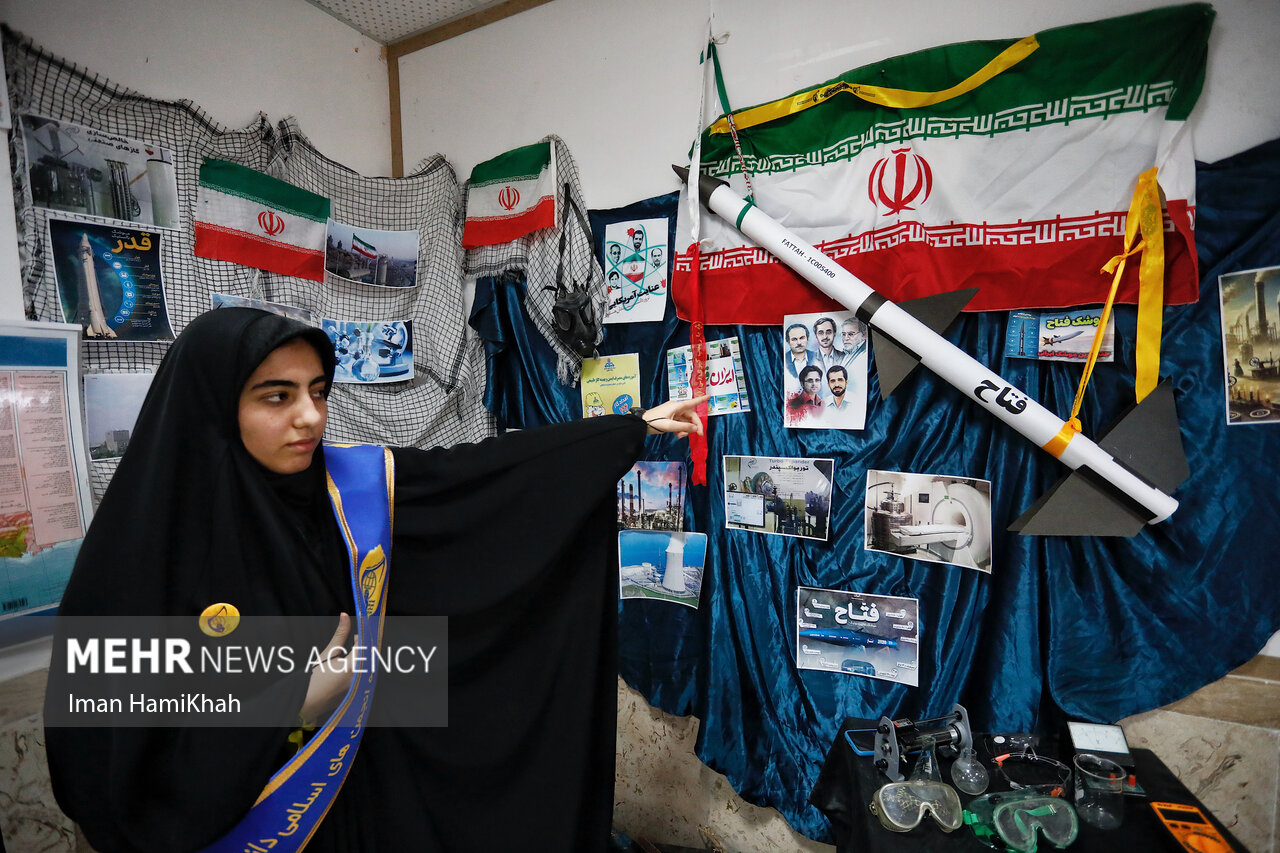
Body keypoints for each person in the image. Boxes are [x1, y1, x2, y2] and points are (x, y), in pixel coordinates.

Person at [45, 307, 707, 852]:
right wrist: (288, 703)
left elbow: (474, 480)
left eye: (318, 391)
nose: (309, 415)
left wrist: (623, 434)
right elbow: (107, 773)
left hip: (359, 814)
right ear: (215, 405)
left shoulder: (339, 487)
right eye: (277, 395)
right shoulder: (142, 554)